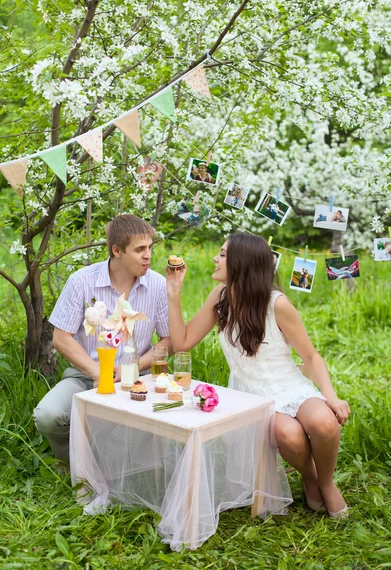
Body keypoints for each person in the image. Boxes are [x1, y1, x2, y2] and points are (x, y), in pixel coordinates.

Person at [165, 233, 350, 518]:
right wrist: (174, 294)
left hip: (289, 384)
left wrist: (331, 397)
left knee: (324, 423)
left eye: (223, 254)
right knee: (288, 433)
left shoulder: (277, 304)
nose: (216, 258)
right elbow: (182, 342)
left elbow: (311, 357)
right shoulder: (220, 298)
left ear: (242, 264)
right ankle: (310, 477)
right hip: (251, 393)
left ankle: (326, 484)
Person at [34, 214, 171, 463]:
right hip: (86, 376)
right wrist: (97, 372)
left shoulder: (158, 285)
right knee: (48, 415)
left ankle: (115, 465)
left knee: (128, 438)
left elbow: (168, 341)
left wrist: (132, 367)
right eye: (139, 249)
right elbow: (61, 338)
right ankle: (72, 460)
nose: (148, 255)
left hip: (137, 380)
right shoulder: (81, 281)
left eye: (150, 247)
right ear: (117, 250)